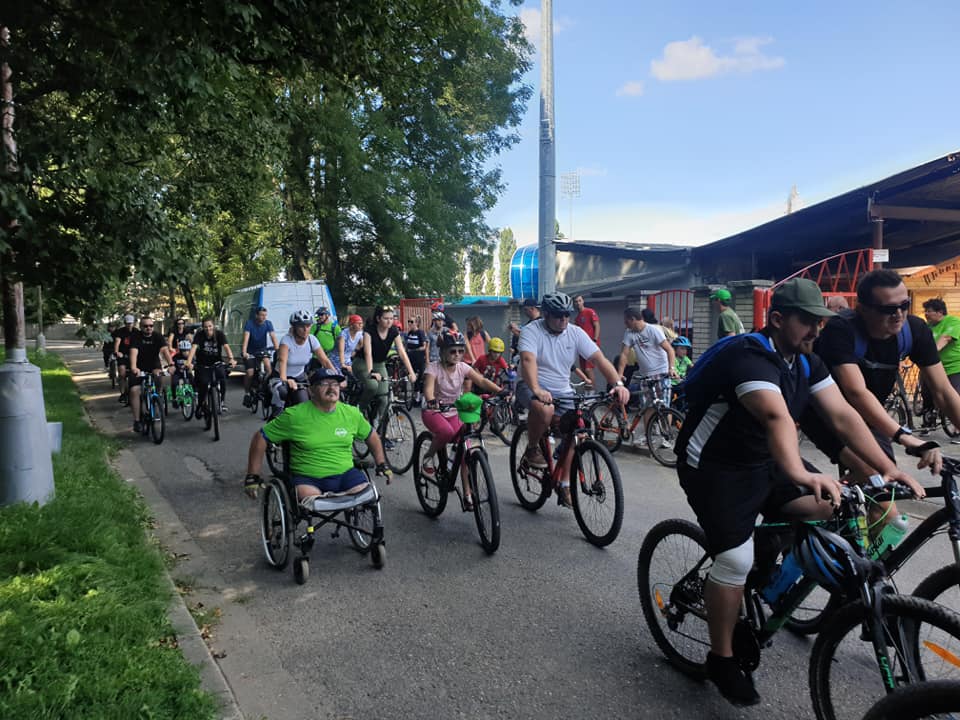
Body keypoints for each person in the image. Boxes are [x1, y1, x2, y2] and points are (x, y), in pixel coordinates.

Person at [674, 278, 921, 706]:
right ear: (777, 319)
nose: (816, 330)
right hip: (716, 467)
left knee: (834, 508)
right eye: (807, 321)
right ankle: (721, 658)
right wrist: (798, 473)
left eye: (821, 321)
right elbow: (777, 418)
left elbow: (842, 415)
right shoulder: (750, 356)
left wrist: (888, 469)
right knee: (734, 560)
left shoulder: (806, 361)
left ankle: (766, 557)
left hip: (766, 460)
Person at [803, 270, 957, 486]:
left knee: (882, 486)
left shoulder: (914, 330)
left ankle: (850, 498)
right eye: (888, 309)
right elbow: (856, 392)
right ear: (862, 308)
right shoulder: (841, 329)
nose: (899, 314)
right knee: (878, 480)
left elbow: (943, 391)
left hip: (870, 415)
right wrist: (905, 437)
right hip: (827, 414)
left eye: (904, 305)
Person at [517, 292, 631, 506]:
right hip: (530, 384)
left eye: (566, 315)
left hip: (563, 390)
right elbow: (527, 360)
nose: (563, 320)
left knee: (579, 430)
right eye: (558, 316)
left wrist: (618, 384)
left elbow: (599, 359)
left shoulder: (575, 333)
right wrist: (537, 389)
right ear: (546, 314)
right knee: (545, 409)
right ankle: (532, 448)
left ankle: (564, 484)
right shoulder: (531, 331)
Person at [244, 367, 391, 504]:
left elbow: (371, 435)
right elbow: (261, 437)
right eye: (324, 384)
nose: (331, 388)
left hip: (345, 474)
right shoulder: (295, 416)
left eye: (335, 384)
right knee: (312, 500)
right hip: (308, 479)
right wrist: (253, 475)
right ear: (311, 390)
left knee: (366, 494)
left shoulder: (351, 413)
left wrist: (381, 463)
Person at [421, 331, 502, 508]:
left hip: (454, 411)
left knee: (466, 445)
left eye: (460, 351)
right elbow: (428, 389)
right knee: (446, 432)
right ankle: (428, 456)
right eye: (452, 351)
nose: (457, 355)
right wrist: (431, 400)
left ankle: (467, 493)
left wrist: (500, 391)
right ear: (443, 351)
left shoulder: (463, 367)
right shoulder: (433, 368)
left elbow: (481, 381)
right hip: (434, 411)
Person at [615, 307, 678, 445]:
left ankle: (665, 437)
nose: (625, 324)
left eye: (626, 321)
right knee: (647, 407)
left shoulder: (653, 330)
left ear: (633, 319)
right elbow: (624, 354)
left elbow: (670, 350)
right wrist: (619, 374)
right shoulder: (629, 333)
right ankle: (648, 436)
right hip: (645, 376)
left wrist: (671, 368)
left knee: (664, 406)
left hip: (661, 373)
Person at [355, 306, 417, 430]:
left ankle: (382, 430)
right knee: (372, 385)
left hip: (380, 364)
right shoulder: (370, 330)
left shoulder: (393, 331)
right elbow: (367, 352)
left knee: (384, 397)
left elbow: (402, 352)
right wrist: (371, 372)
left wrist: (411, 372)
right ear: (378, 318)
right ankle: (360, 410)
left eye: (391, 318)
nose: (389, 321)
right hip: (363, 363)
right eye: (386, 318)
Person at [269, 310, 333, 415]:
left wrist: (335, 376)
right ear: (294, 327)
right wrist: (285, 380)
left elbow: (325, 360)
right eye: (301, 326)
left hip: (299, 378)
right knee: (281, 393)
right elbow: (282, 361)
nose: (305, 329)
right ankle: (274, 421)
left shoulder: (312, 340)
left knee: (304, 403)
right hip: (280, 376)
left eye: (308, 326)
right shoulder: (286, 340)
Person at [128, 316, 174, 433]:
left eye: (151, 326)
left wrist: (171, 364)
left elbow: (165, 351)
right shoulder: (136, 337)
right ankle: (137, 420)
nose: (148, 328)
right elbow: (134, 352)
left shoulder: (157, 336)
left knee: (159, 376)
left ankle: (156, 398)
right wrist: (134, 367)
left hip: (153, 364)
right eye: (145, 326)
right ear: (141, 327)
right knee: (134, 391)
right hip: (139, 367)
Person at [185, 317, 237, 415]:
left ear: (213, 326)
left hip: (216, 362)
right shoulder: (199, 335)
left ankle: (222, 401)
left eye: (210, 326)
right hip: (203, 364)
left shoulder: (219, 334)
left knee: (222, 377)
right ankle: (200, 405)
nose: (208, 329)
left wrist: (231, 359)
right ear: (203, 327)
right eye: (205, 327)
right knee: (203, 384)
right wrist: (189, 362)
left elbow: (226, 347)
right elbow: (193, 348)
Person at [241, 306, 279, 407]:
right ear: (256, 315)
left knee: (269, 369)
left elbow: (273, 337)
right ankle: (247, 393)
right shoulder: (249, 323)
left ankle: (265, 388)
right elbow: (246, 339)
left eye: (265, 315)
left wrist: (278, 350)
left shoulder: (268, 323)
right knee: (250, 372)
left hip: (262, 350)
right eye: (261, 315)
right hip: (250, 352)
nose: (264, 317)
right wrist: (244, 352)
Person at [573, 295, 601, 386]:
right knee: (584, 371)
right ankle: (587, 391)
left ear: (583, 301)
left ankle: (592, 391)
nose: (578, 303)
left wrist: (595, 340)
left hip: (591, 344)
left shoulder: (589, 312)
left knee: (588, 369)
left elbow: (597, 325)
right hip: (582, 346)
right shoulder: (577, 318)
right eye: (576, 301)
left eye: (579, 300)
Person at [112, 314, 137, 402]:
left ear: (133, 323)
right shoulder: (120, 331)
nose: (129, 325)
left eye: (131, 323)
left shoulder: (136, 332)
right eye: (127, 323)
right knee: (122, 373)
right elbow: (117, 342)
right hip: (123, 354)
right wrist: (117, 352)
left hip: (133, 355)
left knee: (136, 373)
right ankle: (122, 393)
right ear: (125, 323)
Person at [404, 315, 428, 402]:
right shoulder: (410, 333)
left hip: (419, 359)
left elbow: (424, 346)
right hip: (411, 359)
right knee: (412, 376)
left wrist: (414, 350)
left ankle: (419, 395)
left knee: (419, 377)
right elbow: (407, 345)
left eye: (412, 322)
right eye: (409, 321)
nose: (410, 323)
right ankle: (415, 394)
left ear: (416, 323)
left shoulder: (420, 332)